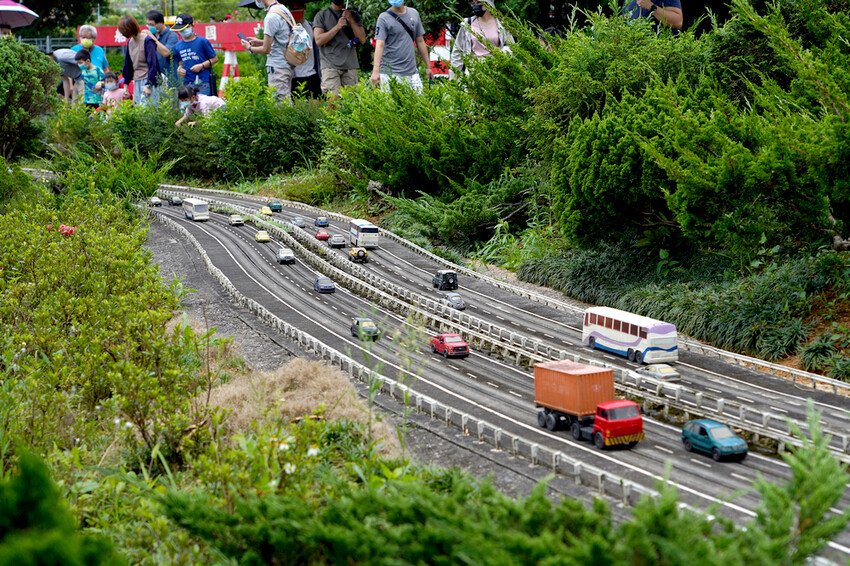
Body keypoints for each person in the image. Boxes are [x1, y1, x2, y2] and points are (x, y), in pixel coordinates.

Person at [371, 0, 433, 92]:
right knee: (391, 105)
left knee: (418, 104)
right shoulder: (383, 18)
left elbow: (420, 41)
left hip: (412, 72)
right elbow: (379, 44)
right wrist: (375, 71)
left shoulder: (414, 13)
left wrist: (428, 67)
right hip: (390, 73)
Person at [240, 0, 294, 102]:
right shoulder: (283, 9)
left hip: (277, 67)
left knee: (280, 106)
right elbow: (281, 39)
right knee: (285, 101)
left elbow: (266, 49)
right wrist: (260, 42)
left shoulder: (271, 17)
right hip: (287, 64)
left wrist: (249, 47)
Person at [313, 0, 366, 98]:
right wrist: (337, 27)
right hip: (329, 65)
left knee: (350, 101)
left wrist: (351, 20)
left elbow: (362, 39)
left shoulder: (354, 15)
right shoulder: (321, 15)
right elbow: (319, 40)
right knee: (333, 101)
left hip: (350, 65)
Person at [449, 0, 513, 79]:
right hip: (473, 73)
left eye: (478, 2)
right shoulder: (468, 24)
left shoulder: (501, 24)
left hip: (496, 72)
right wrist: (453, 75)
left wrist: (503, 53)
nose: (475, 5)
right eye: (473, 3)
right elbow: (458, 50)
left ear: (488, 4)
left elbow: (511, 46)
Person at [118, 15, 162, 106]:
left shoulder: (147, 40)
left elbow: (153, 64)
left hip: (148, 79)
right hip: (137, 80)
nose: (122, 33)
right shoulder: (130, 42)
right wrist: (126, 84)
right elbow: (128, 65)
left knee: (150, 110)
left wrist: (148, 85)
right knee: (139, 109)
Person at [172, 13, 219, 96]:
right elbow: (180, 64)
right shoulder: (178, 46)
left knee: (204, 107)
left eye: (184, 28)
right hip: (187, 82)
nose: (182, 32)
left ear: (191, 26)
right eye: (180, 30)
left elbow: (214, 59)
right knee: (190, 107)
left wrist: (201, 66)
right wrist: (180, 70)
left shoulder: (202, 41)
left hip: (203, 82)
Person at [145, 10, 180, 89]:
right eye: (148, 24)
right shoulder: (152, 36)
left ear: (161, 23)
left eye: (152, 25)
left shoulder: (171, 35)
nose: (149, 27)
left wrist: (151, 37)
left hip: (170, 80)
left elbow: (166, 53)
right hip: (156, 81)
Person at [292, 16, 322, 98]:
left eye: (298, 6)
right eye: (292, 7)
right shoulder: (286, 29)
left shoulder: (312, 27)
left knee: (315, 107)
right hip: (293, 76)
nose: (296, 10)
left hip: (312, 74)